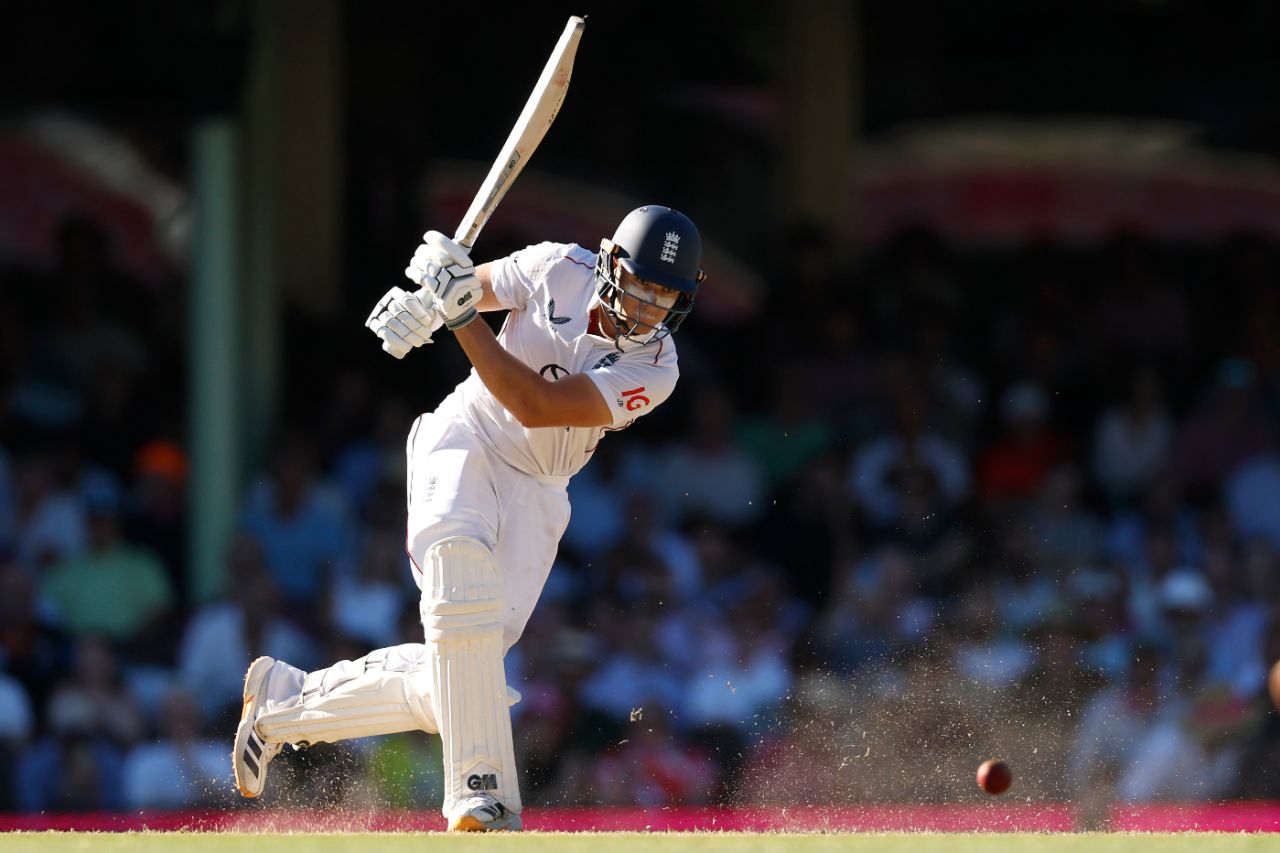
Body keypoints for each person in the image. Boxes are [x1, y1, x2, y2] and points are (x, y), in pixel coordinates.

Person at [231, 205, 704, 831]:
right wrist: (432, 299)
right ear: (613, 264)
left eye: (663, 296)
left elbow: (539, 405)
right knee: (461, 585)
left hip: (541, 486)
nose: (647, 308)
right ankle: (479, 796)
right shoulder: (556, 266)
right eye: (641, 285)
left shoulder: (658, 367)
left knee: (463, 674)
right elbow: (473, 288)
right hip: (468, 438)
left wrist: (454, 317)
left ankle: (283, 706)